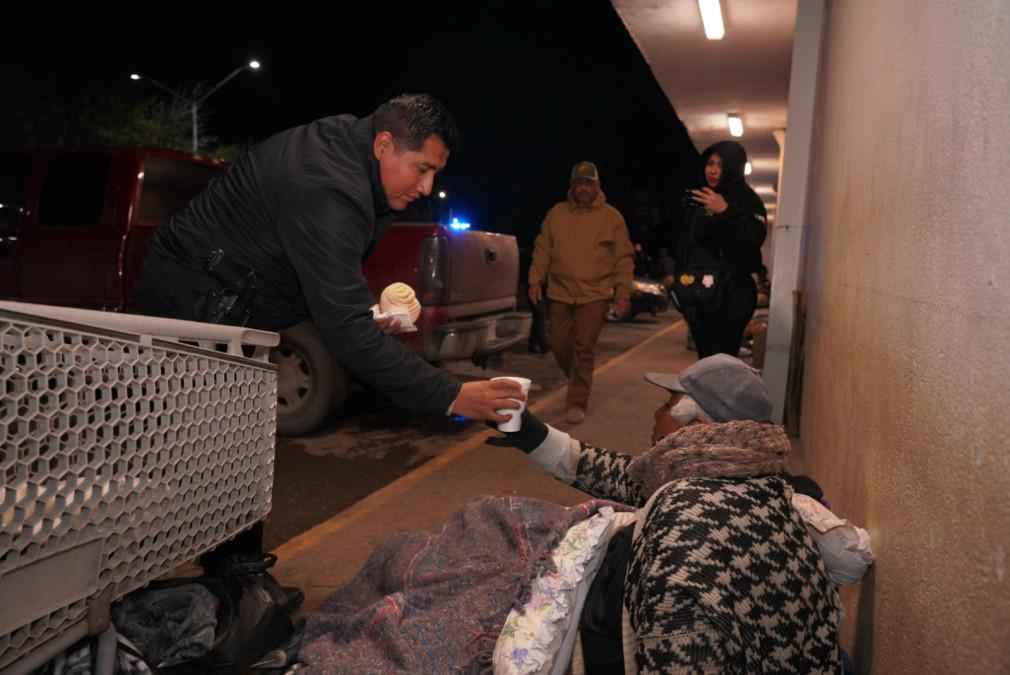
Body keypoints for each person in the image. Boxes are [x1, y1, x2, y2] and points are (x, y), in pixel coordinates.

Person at [134, 93, 525, 579]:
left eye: (435, 174)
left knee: (239, 451)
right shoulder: (328, 186)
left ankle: (238, 579)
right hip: (189, 303)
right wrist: (453, 395)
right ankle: (156, 592)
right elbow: (344, 330)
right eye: (422, 169)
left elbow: (320, 281)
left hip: (236, 303)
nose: (427, 187)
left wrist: (354, 313)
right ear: (384, 144)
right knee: (193, 456)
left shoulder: (356, 153)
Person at [487, 354, 857, 673]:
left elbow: (681, 651)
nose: (656, 412)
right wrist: (529, 434)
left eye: (668, 405)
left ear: (696, 427)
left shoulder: (681, 516)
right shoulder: (766, 485)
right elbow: (618, 473)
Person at [527, 161, 634, 424]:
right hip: (560, 293)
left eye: (589, 183)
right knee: (558, 343)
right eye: (579, 183)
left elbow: (623, 257)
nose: (583, 188)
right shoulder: (556, 213)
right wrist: (535, 279)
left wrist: (623, 292)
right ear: (572, 186)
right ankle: (578, 379)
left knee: (584, 348)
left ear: (598, 186)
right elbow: (542, 249)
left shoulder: (612, 217)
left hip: (594, 295)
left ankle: (576, 401)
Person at [672, 140, 767, 359]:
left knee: (719, 362)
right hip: (700, 296)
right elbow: (685, 246)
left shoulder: (747, 200)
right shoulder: (701, 198)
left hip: (731, 297)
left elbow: (753, 239)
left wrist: (724, 211)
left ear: (734, 167)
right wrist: (680, 286)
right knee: (705, 360)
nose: (713, 170)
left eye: (721, 165)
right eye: (710, 163)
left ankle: (717, 394)